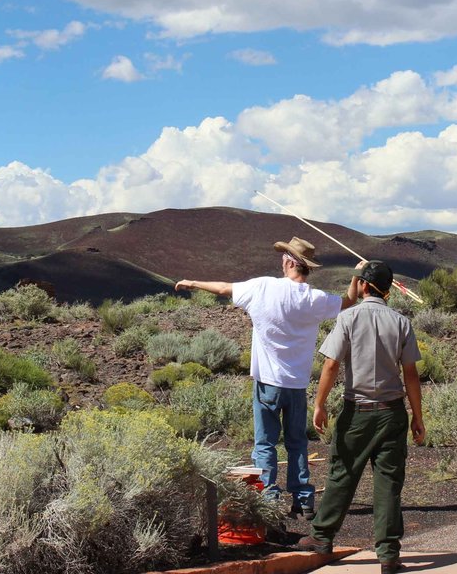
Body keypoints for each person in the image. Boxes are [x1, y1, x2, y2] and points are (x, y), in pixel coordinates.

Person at [174, 236, 359, 518]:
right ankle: (304, 499)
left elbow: (224, 288)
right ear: (305, 267)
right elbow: (347, 302)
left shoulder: (262, 287)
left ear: (288, 262)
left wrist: (193, 283)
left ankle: (269, 498)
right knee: (297, 442)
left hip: (267, 383)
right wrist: (358, 275)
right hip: (296, 384)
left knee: (265, 443)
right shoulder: (316, 299)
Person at [297, 260, 425, 574]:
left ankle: (322, 537)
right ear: (388, 291)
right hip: (392, 413)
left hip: (357, 412)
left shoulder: (348, 317)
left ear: (364, 286)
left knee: (342, 475)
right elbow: (411, 374)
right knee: (388, 484)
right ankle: (388, 556)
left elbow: (330, 365)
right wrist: (417, 416)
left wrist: (319, 404)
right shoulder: (401, 322)